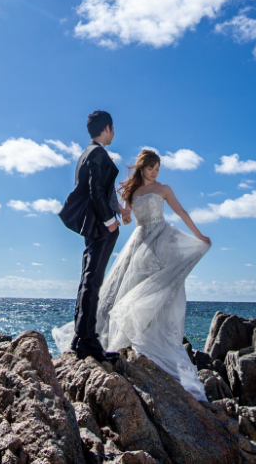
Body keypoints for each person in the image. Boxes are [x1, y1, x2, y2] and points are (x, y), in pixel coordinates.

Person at [55, 148, 212, 401]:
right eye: (151, 168)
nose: (155, 172)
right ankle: (125, 343)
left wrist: (199, 236)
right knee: (129, 291)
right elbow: (128, 218)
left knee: (160, 292)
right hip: (140, 243)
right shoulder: (132, 192)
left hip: (161, 240)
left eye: (157, 168)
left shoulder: (164, 189)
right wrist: (123, 214)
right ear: (142, 167)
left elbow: (182, 212)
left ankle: (153, 346)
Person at [56, 110, 122, 362]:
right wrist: (110, 222)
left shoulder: (87, 153)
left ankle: (80, 336)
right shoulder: (97, 154)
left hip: (92, 225)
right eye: (113, 129)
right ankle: (87, 341)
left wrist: (117, 210)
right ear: (107, 128)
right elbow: (95, 190)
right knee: (92, 280)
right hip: (100, 226)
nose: (113, 133)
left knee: (88, 278)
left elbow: (99, 190)